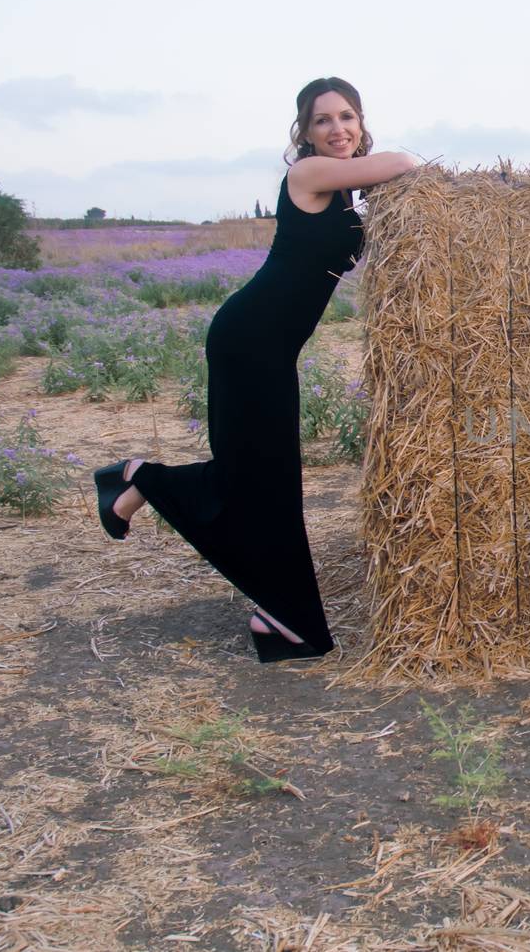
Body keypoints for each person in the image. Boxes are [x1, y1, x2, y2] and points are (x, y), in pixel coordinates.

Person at [93, 78, 420, 662]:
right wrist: (386, 162)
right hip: (248, 340)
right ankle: (145, 484)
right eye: (323, 121)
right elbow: (404, 162)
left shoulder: (348, 193)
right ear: (305, 132)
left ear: (361, 120)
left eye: (347, 117)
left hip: (270, 348)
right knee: (264, 479)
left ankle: (272, 606)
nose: (338, 129)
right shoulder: (310, 175)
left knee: (264, 477)